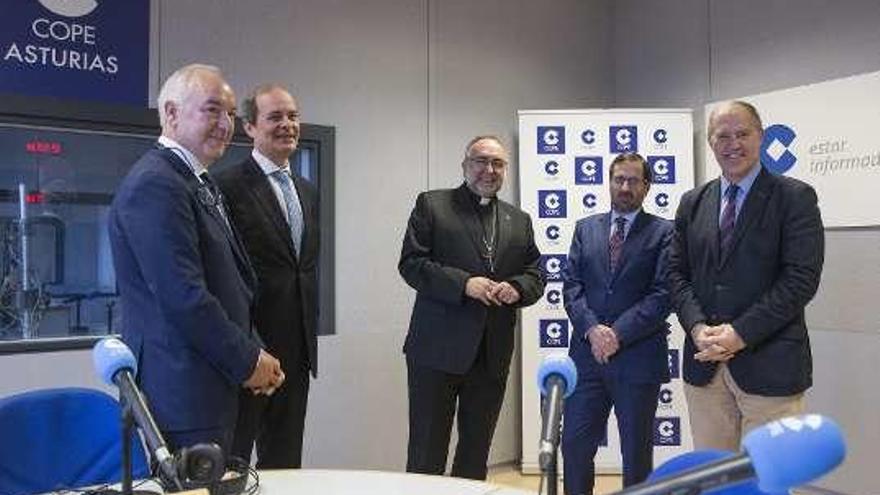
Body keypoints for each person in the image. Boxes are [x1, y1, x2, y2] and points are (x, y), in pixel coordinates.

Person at [108, 64, 284, 455]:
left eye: (231, 114)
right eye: (212, 110)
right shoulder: (156, 184)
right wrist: (247, 359)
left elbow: (233, 286)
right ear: (171, 114)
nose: (226, 124)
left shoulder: (197, 182)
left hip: (217, 386)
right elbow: (183, 297)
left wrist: (255, 353)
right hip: (184, 399)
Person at [669, 100, 825, 451]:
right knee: (712, 479)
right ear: (711, 143)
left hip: (770, 367)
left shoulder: (794, 197)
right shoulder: (692, 202)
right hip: (705, 369)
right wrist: (696, 328)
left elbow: (800, 280)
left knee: (767, 481)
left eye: (742, 134)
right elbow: (676, 275)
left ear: (762, 137)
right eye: (722, 136)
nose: (732, 144)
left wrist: (740, 333)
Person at [399, 135, 545, 480]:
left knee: (476, 453)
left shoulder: (518, 219)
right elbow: (411, 264)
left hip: (491, 354)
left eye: (497, 163)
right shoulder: (433, 205)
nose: (489, 170)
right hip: (436, 353)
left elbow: (535, 273)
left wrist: (517, 288)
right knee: (426, 452)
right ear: (465, 165)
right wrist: (464, 284)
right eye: (480, 160)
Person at [214, 84, 319, 468]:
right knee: (234, 464)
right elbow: (222, 274)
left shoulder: (307, 191)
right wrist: (244, 347)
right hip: (248, 349)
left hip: (296, 351)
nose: (287, 125)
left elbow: (300, 269)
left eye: (292, 116)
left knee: (286, 461)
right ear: (250, 127)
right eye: (275, 117)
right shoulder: (225, 187)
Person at [561, 153, 673, 495]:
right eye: (619, 179)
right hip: (586, 358)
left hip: (638, 359)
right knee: (575, 446)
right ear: (609, 182)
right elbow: (572, 286)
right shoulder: (585, 228)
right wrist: (593, 330)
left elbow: (662, 293)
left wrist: (617, 334)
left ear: (646, 186)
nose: (625, 187)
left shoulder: (665, 232)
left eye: (633, 181)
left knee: (636, 454)